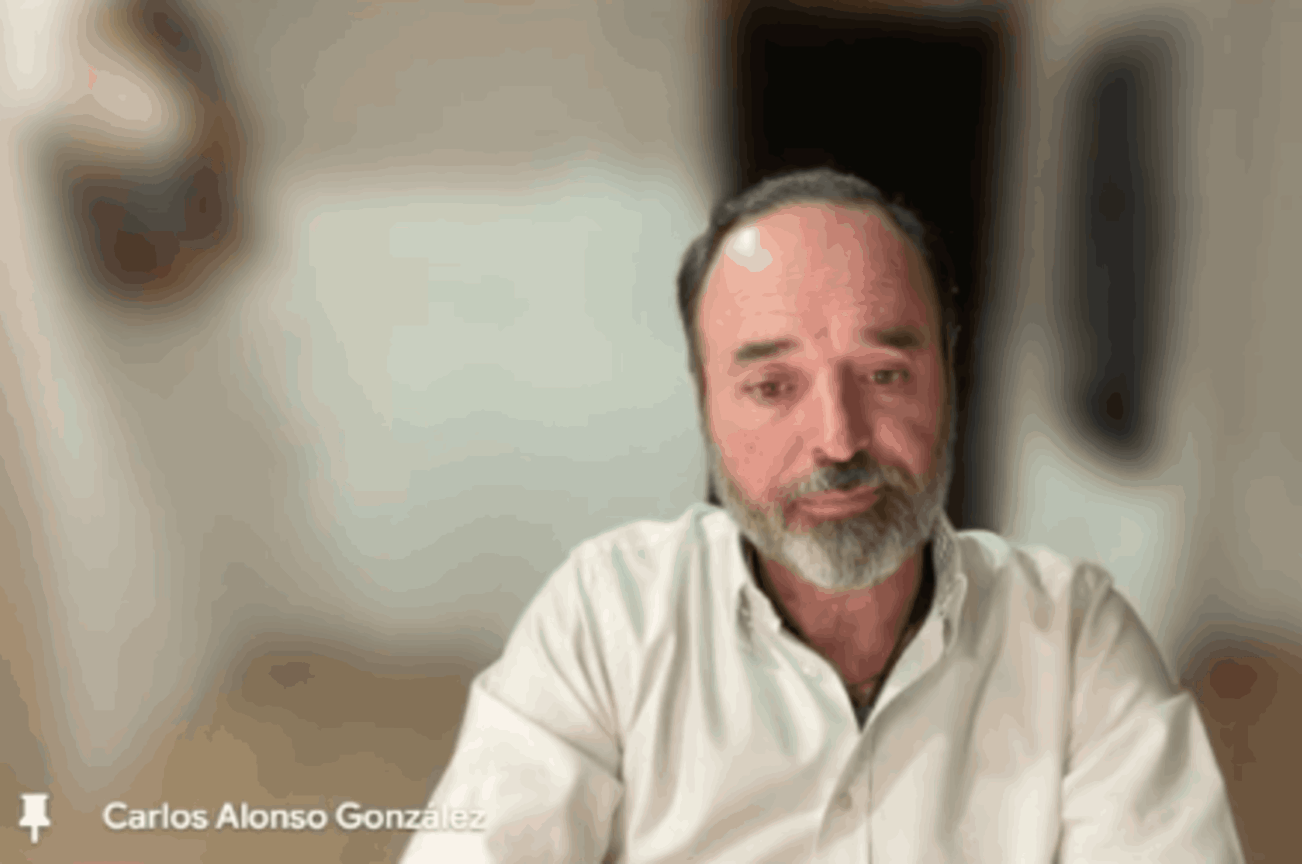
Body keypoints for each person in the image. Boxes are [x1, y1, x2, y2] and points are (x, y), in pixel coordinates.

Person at [400, 168, 1246, 863]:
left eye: (883, 375)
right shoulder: (606, 616)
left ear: (949, 378)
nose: (839, 439)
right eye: (772, 387)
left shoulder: (1074, 639)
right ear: (705, 406)